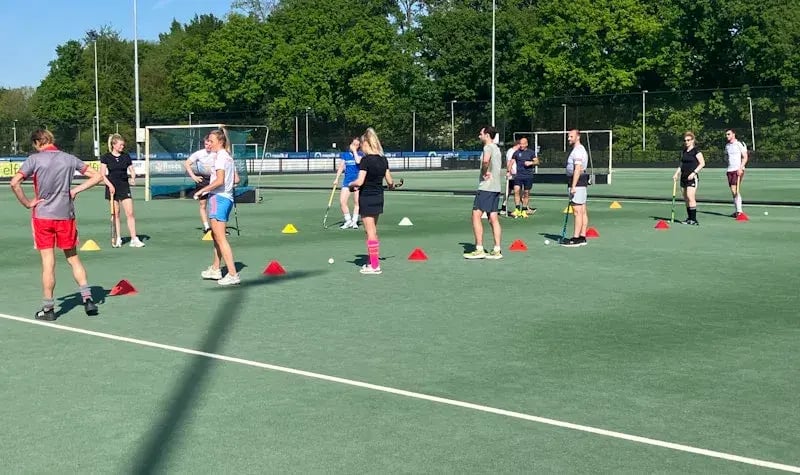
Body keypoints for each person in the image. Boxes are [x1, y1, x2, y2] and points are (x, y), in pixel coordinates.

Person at [10, 129, 104, 320]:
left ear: (37, 142)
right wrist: (76, 190)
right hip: (65, 215)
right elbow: (97, 176)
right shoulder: (69, 158)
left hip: (43, 216)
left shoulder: (34, 160)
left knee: (48, 263)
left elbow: (14, 183)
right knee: (73, 258)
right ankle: (88, 299)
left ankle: (48, 309)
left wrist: (28, 203)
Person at [347, 127, 396, 275]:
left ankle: (374, 265)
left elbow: (360, 181)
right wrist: (393, 186)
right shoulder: (383, 159)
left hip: (367, 197)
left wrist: (351, 184)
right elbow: (390, 182)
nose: (361, 148)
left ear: (367, 144)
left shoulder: (366, 160)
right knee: (372, 230)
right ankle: (372, 260)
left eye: (361, 146)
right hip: (378, 197)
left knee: (370, 232)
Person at [194, 129, 240, 286]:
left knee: (220, 237)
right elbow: (236, 179)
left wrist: (203, 190)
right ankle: (215, 268)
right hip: (225, 198)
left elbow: (220, 180)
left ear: (220, 142)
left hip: (219, 198)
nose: (209, 144)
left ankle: (233, 274)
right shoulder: (227, 157)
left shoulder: (221, 158)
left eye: (212, 141)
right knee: (216, 236)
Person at [464, 126, 503, 259]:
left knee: (476, 215)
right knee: (493, 218)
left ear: (487, 135)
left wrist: (484, 171)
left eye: (480, 133)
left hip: (486, 187)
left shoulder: (488, 147)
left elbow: (486, 161)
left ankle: (479, 248)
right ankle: (497, 249)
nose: (479, 136)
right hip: (496, 187)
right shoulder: (497, 148)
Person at [101, 134, 145, 248]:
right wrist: (109, 185)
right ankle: (118, 237)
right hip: (111, 187)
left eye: (123, 145)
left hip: (124, 186)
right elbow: (102, 175)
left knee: (130, 213)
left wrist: (133, 178)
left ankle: (134, 239)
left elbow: (132, 170)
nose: (122, 147)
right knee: (116, 214)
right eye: (120, 145)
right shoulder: (106, 157)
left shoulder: (126, 156)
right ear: (114, 145)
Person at [562, 129, 589, 247]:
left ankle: (576, 238)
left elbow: (577, 169)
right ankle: (582, 236)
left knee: (577, 211)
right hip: (580, 182)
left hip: (577, 182)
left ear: (578, 137)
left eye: (571, 136)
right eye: (568, 136)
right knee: (582, 210)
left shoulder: (578, 150)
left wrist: (573, 186)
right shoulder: (578, 149)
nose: (569, 138)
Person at [184, 135, 216, 234]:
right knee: (203, 204)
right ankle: (207, 227)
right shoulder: (199, 153)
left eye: (210, 143)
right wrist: (193, 176)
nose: (208, 146)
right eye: (206, 144)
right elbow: (187, 163)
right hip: (203, 180)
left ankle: (218, 226)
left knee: (215, 203)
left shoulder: (217, 153)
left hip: (214, 179)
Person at [672, 131, 705, 225]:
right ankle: (689, 218)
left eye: (688, 140)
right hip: (683, 177)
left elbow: (702, 163)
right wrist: (676, 173)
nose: (686, 142)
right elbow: (682, 164)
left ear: (692, 140)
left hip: (692, 178)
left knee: (691, 197)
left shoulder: (696, 151)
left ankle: (694, 220)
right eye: (685, 140)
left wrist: (694, 173)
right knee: (686, 198)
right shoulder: (684, 151)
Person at [333, 136, 362, 229]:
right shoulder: (345, 155)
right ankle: (348, 220)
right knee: (342, 202)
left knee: (357, 202)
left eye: (357, 145)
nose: (355, 146)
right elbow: (341, 167)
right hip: (347, 181)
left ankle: (354, 221)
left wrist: (354, 151)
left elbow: (358, 162)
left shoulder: (361, 154)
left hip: (357, 181)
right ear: (350, 144)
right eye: (354, 144)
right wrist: (336, 178)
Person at [510, 137, 539, 217]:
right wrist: (508, 171)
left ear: (526, 144)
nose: (521, 145)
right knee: (516, 191)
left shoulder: (531, 152)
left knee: (526, 193)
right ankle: (517, 209)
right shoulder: (516, 152)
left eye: (523, 144)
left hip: (528, 176)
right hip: (518, 176)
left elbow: (537, 161)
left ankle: (524, 210)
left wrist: (530, 163)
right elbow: (511, 162)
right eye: (520, 144)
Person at [724, 128, 748, 217]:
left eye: (728, 134)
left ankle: (740, 211)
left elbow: (745, 157)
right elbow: (726, 156)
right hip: (729, 170)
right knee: (733, 191)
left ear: (733, 134)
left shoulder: (739, 144)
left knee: (735, 190)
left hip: (737, 170)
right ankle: (737, 211)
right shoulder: (727, 146)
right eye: (726, 134)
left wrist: (740, 168)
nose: (727, 136)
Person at [502, 139, 520, 216]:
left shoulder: (517, 152)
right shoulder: (511, 151)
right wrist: (510, 171)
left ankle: (525, 207)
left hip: (517, 174)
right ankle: (503, 207)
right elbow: (509, 162)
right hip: (512, 175)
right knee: (509, 191)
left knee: (517, 190)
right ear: (517, 144)